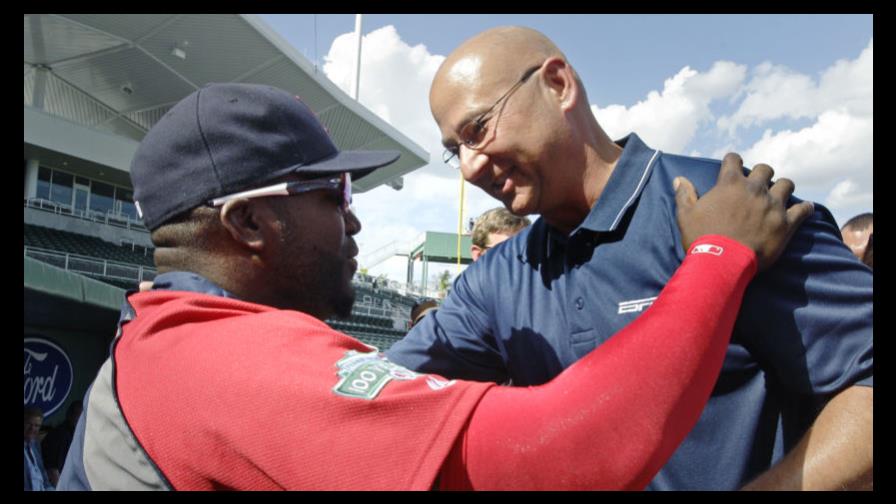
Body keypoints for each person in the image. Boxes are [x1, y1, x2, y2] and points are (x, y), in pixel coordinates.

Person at [56, 82, 809, 490]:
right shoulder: (227, 362)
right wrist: (719, 254)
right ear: (251, 224)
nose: (352, 223)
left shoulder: (155, 337)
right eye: (333, 196)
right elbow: (569, 454)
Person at [386, 26, 873, 490]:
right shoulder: (496, 280)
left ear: (557, 84)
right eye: (455, 150)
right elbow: (381, 393)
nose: (469, 167)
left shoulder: (732, 209)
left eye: (478, 130)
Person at [41, 400, 82, 486]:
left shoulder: (75, 434)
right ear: (70, 415)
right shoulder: (60, 435)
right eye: (78, 415)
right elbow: (53, 471)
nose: (80, 420)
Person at [25, 406, 53, 491]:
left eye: (37, 425)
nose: (32, 428)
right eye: (29, 424)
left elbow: (43, 475)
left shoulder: (35, 444)